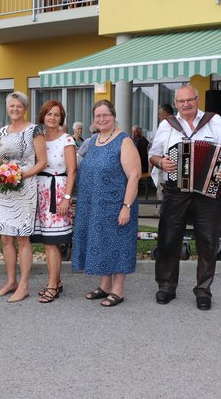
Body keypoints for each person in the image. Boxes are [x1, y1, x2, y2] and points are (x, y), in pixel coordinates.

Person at [149, 84, 221, 311]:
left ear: (198, 99)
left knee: (208, 241)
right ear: (176, 103)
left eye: (190, 100)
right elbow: (153, 154)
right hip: (176, 190)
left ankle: (203, 290)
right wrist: (162, 162)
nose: (186, 104)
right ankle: (166, 286)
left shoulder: (215, 121)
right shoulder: (167, 125)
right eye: (181, 101)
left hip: (208, 191)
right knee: (169, 239)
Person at [71, 100, 141, 307]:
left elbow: (134, 176)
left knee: (118, 245)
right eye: (98, 115)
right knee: (100, 243)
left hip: (116, 204)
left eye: (106, 115)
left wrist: (126, 207)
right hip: (93, 205)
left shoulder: (123, 141)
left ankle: (118, 290)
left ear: (113, 116)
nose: (101, 119)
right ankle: (104, 285)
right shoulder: (92, 141)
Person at [0, 91, 47, 303]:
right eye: (11, 106)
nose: (15, 109)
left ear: (25, 108)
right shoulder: (2, 131)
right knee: (5, 237)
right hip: (6, 189)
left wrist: (19, 175)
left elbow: (42, 161)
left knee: (22, 238)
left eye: (19, 106)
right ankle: (10, 281)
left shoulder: (35, 130)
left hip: (25, 187)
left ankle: (24, 285)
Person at [32, 101, 76, 303]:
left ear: (61, 118)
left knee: (52, 243)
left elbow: (72, 170)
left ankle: (52, 285)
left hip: (57, 191)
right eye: (49, 114)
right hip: (40, 191)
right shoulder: (37, 138)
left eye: (56, 115)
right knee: (47, 242)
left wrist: (66, 197)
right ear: (43, 116)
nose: (52, 117)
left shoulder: (66, 139)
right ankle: (55, 282)